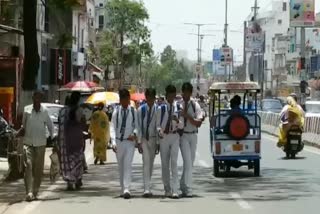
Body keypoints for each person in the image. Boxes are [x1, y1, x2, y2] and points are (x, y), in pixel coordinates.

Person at [18, 91, 54, 201]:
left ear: (41, 99)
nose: (37, 100)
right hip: (28, 143)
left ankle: (35, 191)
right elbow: (23, 126)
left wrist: (52, 138)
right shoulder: (27, 110)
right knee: (28, 166)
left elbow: (50, 126)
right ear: (33, 98)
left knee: (38, 170)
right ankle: (29, 192)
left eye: (39, 98)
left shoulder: (45, 111)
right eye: (35, 97)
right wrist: (19, 132)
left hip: (41, 144)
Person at [110, 89, 140, 199]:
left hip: (129, 142)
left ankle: (127, 188)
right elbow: (112, 127)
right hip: (119, 141)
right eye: (122, 99)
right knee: (121, 166)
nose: (124, 101)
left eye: (126, 99)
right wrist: (113, 142)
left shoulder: (133, 111)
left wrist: (135, 133)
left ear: (129, 99)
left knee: (127, 164)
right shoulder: (116, 112)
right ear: (120, 100)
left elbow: (137, 126)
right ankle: (122, 188)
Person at [157, 85, 182, 199]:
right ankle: (167, 188)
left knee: (174, 163)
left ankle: (175, 189)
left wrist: (177, 120)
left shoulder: (178, 107)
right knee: (165, 164)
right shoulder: (161, 108)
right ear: (167, 95)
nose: (172, 98)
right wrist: (160, 131)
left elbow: (182, 125)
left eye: (174, 95)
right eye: (170, 96)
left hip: (175, 136)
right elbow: (157, 125)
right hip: (164, 138)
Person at [58, 91, 86, 191]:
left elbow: (59, 126)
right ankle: (77, 179)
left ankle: (70, 181)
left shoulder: (62, 111)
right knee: (77, 160)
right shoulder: (79, 110)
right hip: (77, 138)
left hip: (65, 139)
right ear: (78, 100)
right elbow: (83, 124)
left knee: (68, 160)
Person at [179, 82, 203, 197]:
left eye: (188, 92)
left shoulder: (195, 105)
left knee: (190, 163)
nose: (186, 94)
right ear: (182, 92)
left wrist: (187, 116)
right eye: (185, 92)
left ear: (191, 92)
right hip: (183, 136)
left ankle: (183, 184)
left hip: (193, 135)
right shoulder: (178, 104)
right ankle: (188, 188)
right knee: (187, 162)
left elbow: (198, 123)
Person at [137, 88, 159, 197]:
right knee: (146, 162)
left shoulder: (158, 110)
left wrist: (158, 142)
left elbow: (158, 126)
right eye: (148, 98)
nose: (150, 100)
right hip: (144, 139)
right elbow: (138, 126)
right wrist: (139, 141)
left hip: (154, 139)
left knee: (150, 163)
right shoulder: (141, 110)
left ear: (154, 98)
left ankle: (148, 184)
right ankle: (146, 188)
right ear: (146, 98)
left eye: (152, 98)